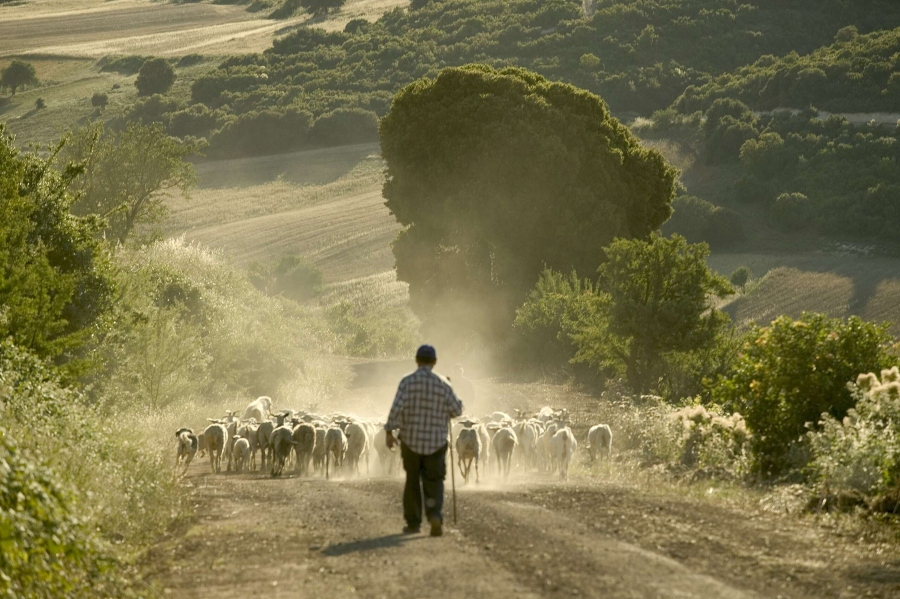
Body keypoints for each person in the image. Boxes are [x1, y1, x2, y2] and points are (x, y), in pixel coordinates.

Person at [384, 344, 463, 537]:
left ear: (416, 360)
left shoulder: (407, 382)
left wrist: (388, 432)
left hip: (410, 441)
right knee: (434, 480)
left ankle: (413, 522)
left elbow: (396, 408)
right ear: (434, 362)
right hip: (436, 442)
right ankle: (434, 515)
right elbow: (457, 410)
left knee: (412, 480)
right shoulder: (443, 384)